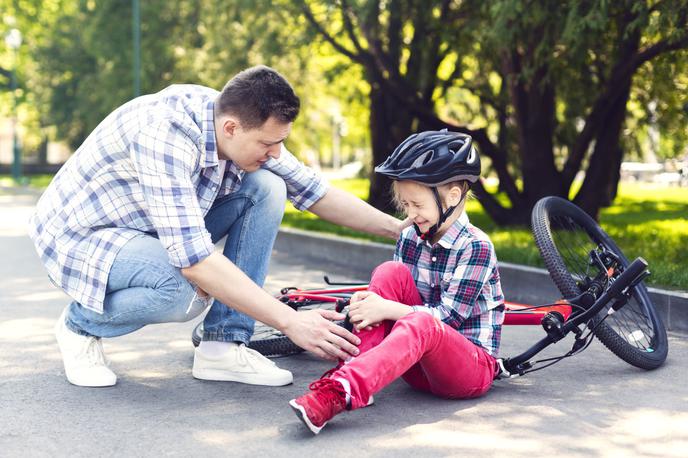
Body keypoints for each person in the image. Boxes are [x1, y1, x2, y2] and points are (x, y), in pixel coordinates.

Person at [28, 65, 407, 388]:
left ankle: (222, 347)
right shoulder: (166, 136)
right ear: (230, 129)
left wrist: (401, 230)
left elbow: (313, 191)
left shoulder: (240, 120)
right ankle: (79, 326)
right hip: (85, 234)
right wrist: (292, 322)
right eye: (268, 143)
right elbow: (194, 261)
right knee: (183, 290)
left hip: (147, 224)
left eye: (280, 143)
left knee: (269, 186)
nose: (276, 152)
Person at [289, 130, 505, 434]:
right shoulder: (409, 235)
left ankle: (340, 392)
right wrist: (373, 306)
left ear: (453, 197)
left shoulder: (476, 247)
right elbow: (395, 300)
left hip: (468, 369)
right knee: (390, 272)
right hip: (416, 367)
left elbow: (449, 319)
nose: (410, 214)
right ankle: (353, 370)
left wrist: (386, 309)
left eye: (417, 205)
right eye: (405, 205)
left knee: (422, 323)